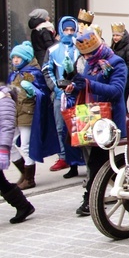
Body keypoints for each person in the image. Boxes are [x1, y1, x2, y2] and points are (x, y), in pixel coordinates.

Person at [67, 30, 127, 216]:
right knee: (99, 161)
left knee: (96, 161)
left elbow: (116, 91)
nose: (86, 57)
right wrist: (74, 88)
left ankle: (90, 200)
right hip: (93, 118)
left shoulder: (117, 62)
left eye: (89, 54)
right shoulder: (91, 64)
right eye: (84, 55)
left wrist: (87, 83)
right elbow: (86, 86)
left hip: (109, 120)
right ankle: (125, 187)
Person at [7, 41, 57, 190]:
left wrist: (32, 91)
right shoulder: (14, 74)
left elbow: (42, 93)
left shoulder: (32, 74)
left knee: (27, 146)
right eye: (14, 57)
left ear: (26, 58)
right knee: (8, 144)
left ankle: (29, 178)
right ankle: (24, 172)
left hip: (28, 114)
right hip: (15, 113)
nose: (15, 60)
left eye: (19, 57)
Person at [42, 16, 86, 177]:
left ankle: (86, 162)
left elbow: (85, 69)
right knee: (62, 130)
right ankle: (69, 162)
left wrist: (77, 86)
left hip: (78, 94)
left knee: (81, 129)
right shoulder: (53, 50)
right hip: (61, 96)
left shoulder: (81, 47)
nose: (68, 33)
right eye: (66, 30)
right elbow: (46, 70)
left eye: (71, 30)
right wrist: (55, 88)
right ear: (61, 30)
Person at [0, 83, 35, 224]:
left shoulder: (3, 98)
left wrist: (3, 150)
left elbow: (7, 126)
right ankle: (23, 206)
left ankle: (23, 206)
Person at [110, 22, 129, 103]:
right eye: (114, 35)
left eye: (117, 35)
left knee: (122, 102)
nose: (115, 37)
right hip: (115, 78)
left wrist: (120, 72)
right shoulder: (113, 47)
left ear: (123, 36)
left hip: (125, 79)